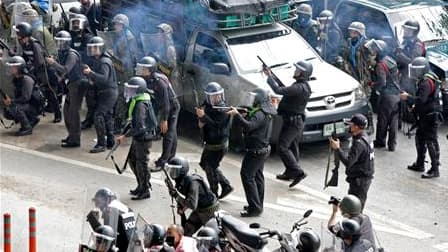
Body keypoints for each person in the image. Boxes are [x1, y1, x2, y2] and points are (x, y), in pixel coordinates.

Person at [227, 88, 276, 217]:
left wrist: (237, 116)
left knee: (247, 176)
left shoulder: (259, 114)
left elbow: (249, 126)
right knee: (258, 177)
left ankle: (254, 208)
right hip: (262, 150)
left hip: (256, 151)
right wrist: (243, 114)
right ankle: (258, 204)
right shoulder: (265, 111)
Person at [265, 60, 312, 188]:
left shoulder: (298, 87)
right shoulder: (302, 86)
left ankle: (298, 172)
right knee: (292, 146)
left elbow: (279, 90)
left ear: (303, 73)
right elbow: (285, 88)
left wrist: (269, 77)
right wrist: (273, 76)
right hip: (294, 120)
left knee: (282, 147)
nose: (295, 71)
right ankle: (291, 171)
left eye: (298, 70)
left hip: (293, 122)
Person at [116, 76, 158, 200]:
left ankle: (145, 189)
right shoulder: (138, 100)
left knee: (141, 164)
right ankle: (141, 185)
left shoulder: (140, 105)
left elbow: (140, 127)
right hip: (140, 136)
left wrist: (125, 136)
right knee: (132, 159)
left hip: (144, 138)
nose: (129, 92)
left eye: (131, 89)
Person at [400, 57, 442, 179]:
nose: (414, 73)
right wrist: (415, 107)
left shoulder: (425, 82)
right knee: (420, 139)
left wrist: (408, 98)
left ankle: (435, 169)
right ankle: (420, 164)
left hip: (430, 116)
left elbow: (422, 100)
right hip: (427, 114)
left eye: (417, 70)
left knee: (430, 141)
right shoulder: (429, 77)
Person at [136, 56, 180, 171]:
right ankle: (171, 157)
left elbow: (166, 103)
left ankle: (163, 162)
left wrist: (164, 120)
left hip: (171, 106)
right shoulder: (144, 80)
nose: (141, 70)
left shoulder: (159, 82)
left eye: (144, 68)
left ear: (151, 70)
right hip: (160, 106)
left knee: (168, 133)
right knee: (172, 133)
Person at [14, 21, 62, 123]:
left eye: (19, 35)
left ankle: (58, 114)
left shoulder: (34, 44)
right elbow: (26, 57)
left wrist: (29, 68)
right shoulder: (24, 44)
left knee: (50, 93)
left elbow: (39, 62)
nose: (18, 37)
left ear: (24, 35)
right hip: (36, 71)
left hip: (45, 71)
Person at [46, 30, 84, 147]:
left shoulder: (72, 54)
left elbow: (66, 69)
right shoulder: (62, 53)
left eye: (62, 42)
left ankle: (75, 139)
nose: (59, 44)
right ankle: (71, 135)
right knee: (67, 111)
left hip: (77, 85)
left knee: (73, 113)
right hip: (70, 85)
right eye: (58, 42)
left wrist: (53, 63)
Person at [195, 82, 233, 199]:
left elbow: (218, 127)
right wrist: (200, 119)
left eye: (218, 95)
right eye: (213, 96)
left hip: (218, 144)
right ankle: (225, 185)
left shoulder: (223, 110)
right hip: (209, 142)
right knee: (205, 164)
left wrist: (204, 117)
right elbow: (202, 117)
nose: (217, 98)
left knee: (210, 167)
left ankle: (214, 193)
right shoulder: (207, 105)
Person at [329, 114, 374, 210]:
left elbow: (349, 162)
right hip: (362, 178)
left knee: (355, 209)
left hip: (360, 180)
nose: (349, 126)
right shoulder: (365, 137)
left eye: (351, 124)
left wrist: (337, 149)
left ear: (356, 127)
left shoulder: (359, 143)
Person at [166, 156, 219, 236]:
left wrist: (176, 196)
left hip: (209, 211)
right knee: (186, 231)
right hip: (199, 208)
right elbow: (191, 197)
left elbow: (192, 204)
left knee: (210, 236)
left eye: (175, 171)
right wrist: (183, 207)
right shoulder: (182, 181)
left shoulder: (192, 183)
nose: (172, 173)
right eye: (171, 170)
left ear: (182, 171)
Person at [82, 36, 118, 153]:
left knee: (98, 116)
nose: (92, 50)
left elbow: (103, 79)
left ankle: (101, 144)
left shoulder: (104, 61)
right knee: (107, 116)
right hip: (104, 92)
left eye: (95, 48)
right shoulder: (97, 60)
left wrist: (91, 73)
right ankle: (110, 141)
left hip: (109, 93)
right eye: (91, 48)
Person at [365, 39, 401, 152]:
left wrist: (372, 85)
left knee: (383, 119)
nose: (372, 52)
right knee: (394, 120)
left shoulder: (380, 65)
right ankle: (392, 145)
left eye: (373, 50)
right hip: (396, 94)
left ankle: (380, 141)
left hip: (387, 96)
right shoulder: (390, 60)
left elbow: (382, 82)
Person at [111, 13, 140, 131]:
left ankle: (119, 123)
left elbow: (129, 57)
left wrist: (115, 59)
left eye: (118, 25)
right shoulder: (121, 37)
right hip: (120, 69)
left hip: (125, 71)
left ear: (124, 26)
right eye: (116, 24)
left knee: (122, 96)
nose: (116, 27)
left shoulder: (128, 38)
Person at [87, 188, 136, 252]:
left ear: (107, 200)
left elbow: (106, 236)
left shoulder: (110, 211)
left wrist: (94, 221)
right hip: (133, 246)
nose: (98, 206)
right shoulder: (124, 208)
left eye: (99, 202)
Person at [2, 56, 40, 136]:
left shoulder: (26, 79)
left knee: (15, 108)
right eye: (11, 66)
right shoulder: (16, 78)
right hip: (27, 105)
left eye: (14, 67)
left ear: (20, 67)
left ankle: (27, 128)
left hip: (34, 106)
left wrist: (11, 101)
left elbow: (26, 98)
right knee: (7, 111)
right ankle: (32, 120)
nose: (11, 68)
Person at [395, 20, 426, 95]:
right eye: (405, 29)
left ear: (414, 32)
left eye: (408, 30)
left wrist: (400, 55)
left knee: (409, 96)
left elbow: (413, 62)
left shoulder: (417, 45)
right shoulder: (406, 41)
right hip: (403, 73)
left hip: (412, 77)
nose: (405, 31)